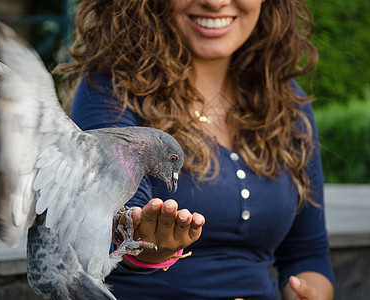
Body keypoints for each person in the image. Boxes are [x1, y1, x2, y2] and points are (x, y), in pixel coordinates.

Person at [58, 0, 335, 299]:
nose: (215, 3)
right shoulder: (110, 90)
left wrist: (307, 294)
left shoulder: (284, 99)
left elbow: (308, 254)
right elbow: (110, 236)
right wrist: (146, 245)